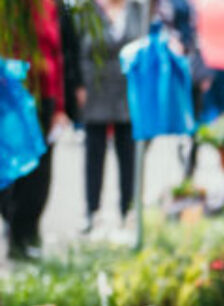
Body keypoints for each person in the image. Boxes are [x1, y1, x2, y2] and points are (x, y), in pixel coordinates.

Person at [0, 0, 78, 259]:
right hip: (11, 97)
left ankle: (26, 236)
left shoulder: (50, 5)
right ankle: (17, 234)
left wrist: (59, 106)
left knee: (39, 175)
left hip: (42, 98)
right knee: (12, 172)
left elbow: (56, 54)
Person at [77, 0, 145, 233]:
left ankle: (128, 210)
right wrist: (78, 86)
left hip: (127, 91)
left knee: (128, 153)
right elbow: (77, 49)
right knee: (94, 154)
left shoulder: (137, 9)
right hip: (95, 88)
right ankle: (91, 210)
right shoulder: (88, 10)